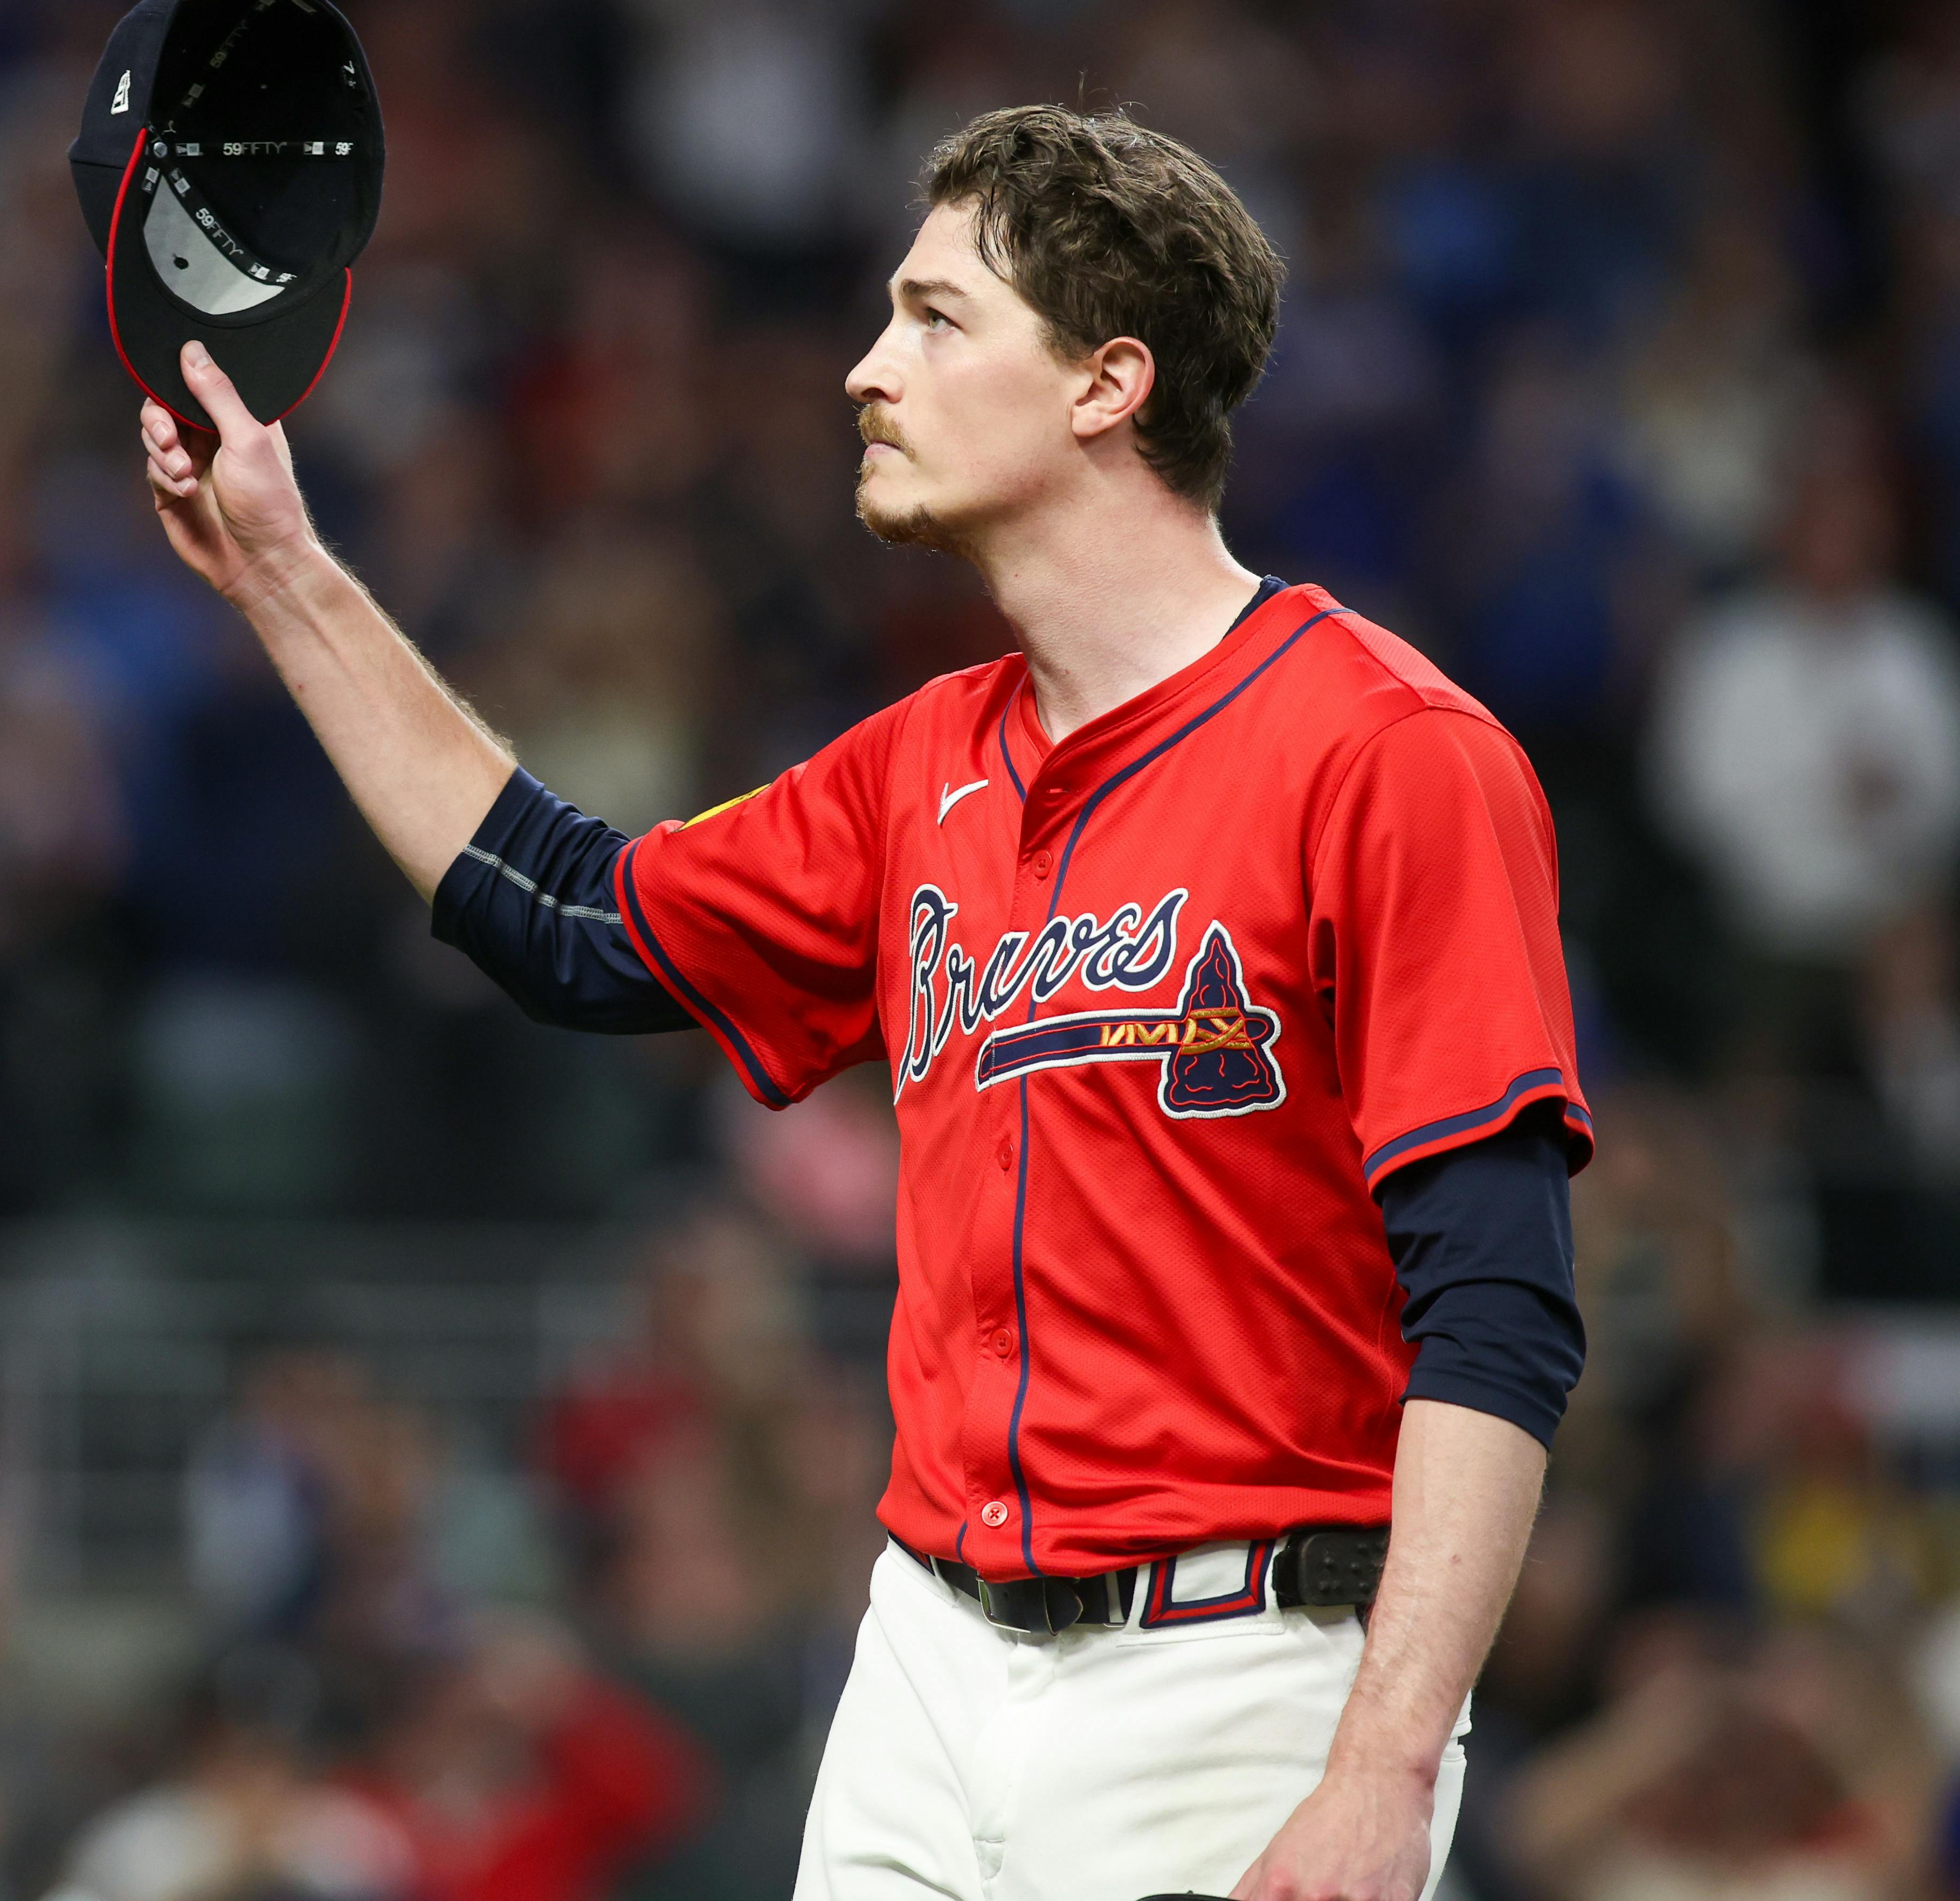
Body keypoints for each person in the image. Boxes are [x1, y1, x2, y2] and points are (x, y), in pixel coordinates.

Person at [135, 103, 1590, 1900]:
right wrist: (286, 570)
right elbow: (570, 919)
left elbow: (1500, 1309)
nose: (864, 368)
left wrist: (1383, 1762)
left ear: (1104, 382)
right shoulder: (923, 767)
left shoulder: (1389, 756)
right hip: (925, 1653)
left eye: (933, 316)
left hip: (1243, 1668)